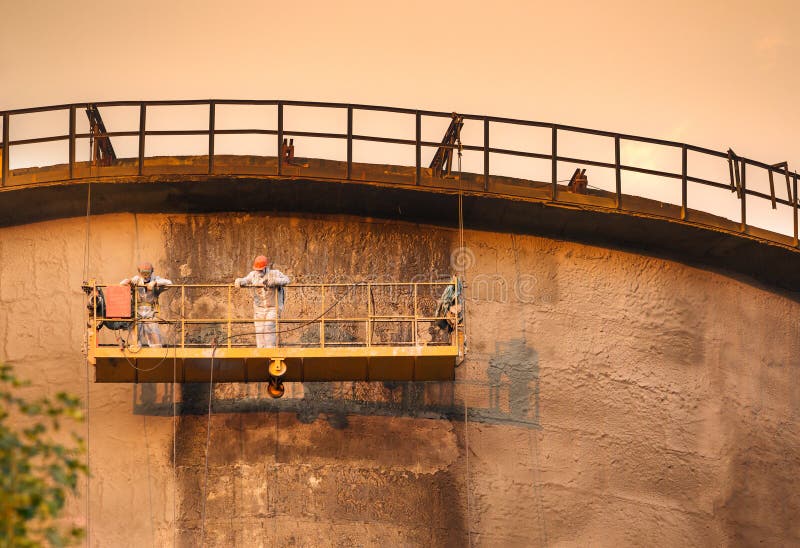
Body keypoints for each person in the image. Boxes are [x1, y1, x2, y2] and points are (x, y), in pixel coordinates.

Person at [234, 255, 291, 348]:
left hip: (273, 307)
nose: (259, 272)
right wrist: (239, 281)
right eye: (257, 270)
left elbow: (287, 280)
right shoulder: (253, 275)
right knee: (259, 330)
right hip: (259, 308)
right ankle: (261, 354)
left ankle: (270, 352)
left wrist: (274, 281)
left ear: (266, 268)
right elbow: (246, 280)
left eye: (260, 270)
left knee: (269, 327)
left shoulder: (275, 274)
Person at [120, 262, 173, 348]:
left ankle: (156, 354)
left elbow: (169, 283)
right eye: (143, 273)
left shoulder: (156, 279)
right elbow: (122, 284)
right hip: (137, 313)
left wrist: (155, 283)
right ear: (139, 272)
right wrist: (128, 282)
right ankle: (135, 349)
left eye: (147, 273)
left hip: (150, 313)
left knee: (156, 342)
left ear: (152, 271)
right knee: (134, 342)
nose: (145, 275)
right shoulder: (136, 279)